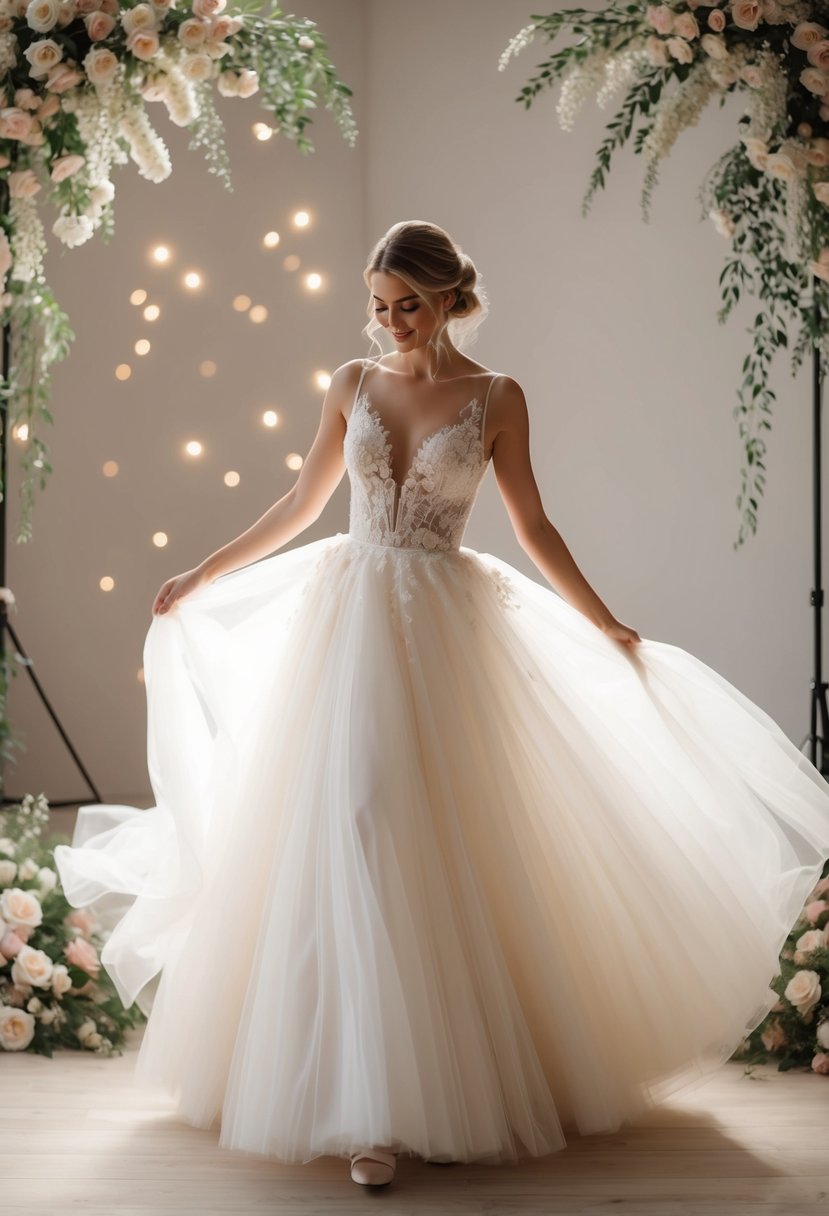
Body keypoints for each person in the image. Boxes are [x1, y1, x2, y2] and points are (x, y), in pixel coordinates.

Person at [55, 220, 829, 1191]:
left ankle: (444, 1084)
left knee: (444, 840)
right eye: (377, 306)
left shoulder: (497, 397)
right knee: (347, 827)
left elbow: (532, 522)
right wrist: (203, 570)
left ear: (449, 297)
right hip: (347, 626)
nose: (389, 323)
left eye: (405, 305)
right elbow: (303, 499)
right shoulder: (351, 382)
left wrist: (605, 621)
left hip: (450, 630)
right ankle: (359, 1101)